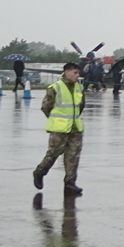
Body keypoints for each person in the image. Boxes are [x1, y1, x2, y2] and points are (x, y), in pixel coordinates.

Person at [32, 62, 86, 198]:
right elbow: (46, 107)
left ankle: (70, 183)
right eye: (75, 73)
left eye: (78, 73)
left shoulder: (79, 87)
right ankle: (40, 172)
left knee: (73, 156)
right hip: (59, 129)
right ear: (66, 72)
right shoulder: (55, 88)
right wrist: (56, 120)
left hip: (75, 128)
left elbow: (81, 105)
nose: (77, 76)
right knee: (53, 154)